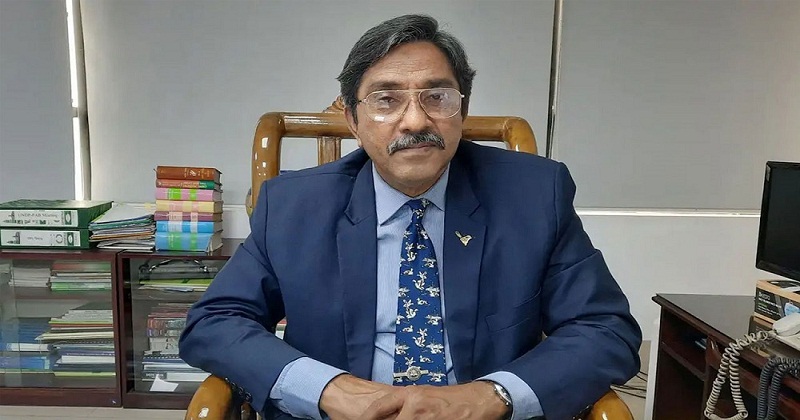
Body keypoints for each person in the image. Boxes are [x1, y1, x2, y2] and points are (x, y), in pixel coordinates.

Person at [180, 14, 642, 420]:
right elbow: (215, 321)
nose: (416, 121)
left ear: (462, 110)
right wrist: (326, 388)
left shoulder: (534, 195)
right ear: (353, 119)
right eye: (386, 100)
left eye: (437, 97)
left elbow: (604, 329)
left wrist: (491, 396)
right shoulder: (293, 206)